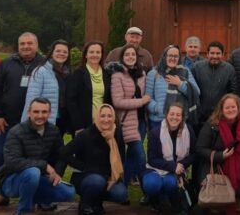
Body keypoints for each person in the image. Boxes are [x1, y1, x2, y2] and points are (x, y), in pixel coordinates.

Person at [0, 32, 45, 209]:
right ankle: (2, 193)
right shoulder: (6, 64)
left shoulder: (44, 64)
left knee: (35, 158)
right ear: (18, 46)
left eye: (30, 43)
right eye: (22, 44)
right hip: (7, 122)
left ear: (37, 45)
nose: (26, 47)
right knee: (3, 157)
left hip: (36, 123)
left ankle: (37, 196)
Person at [0, 97, 75, 215]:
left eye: (44, 112)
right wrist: (44, 166)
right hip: (11, 180)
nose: (40, 115)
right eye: (36, 112)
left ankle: (37, 199)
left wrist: (58, 173)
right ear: (29, 113)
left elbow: (61, 155)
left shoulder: (54, 131)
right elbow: (12, 162)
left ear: (49, 113)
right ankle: (24, 211)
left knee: (68, 192)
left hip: (38, 178)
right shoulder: (16, 132)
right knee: (32, 172)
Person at [60, 104, 127, 215]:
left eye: (109, 116)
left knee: (121, 194)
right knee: (97, 181)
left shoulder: (116, 133)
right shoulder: (85, 135)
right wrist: (82, 166)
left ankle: (97, 203)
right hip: (85, 176)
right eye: (103, 116)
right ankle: (85, 204)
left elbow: (121, 156)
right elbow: (63, 153)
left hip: (108, 176)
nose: (106, 119)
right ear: (97, 117)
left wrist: (114, 177)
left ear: (114, 118)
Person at [195, 94, 240, 215]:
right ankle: (216, 201)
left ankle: (234, 198)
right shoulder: (212, 124)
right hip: (217, 165)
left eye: (233, 107)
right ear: (221, 109)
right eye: (227, 107)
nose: (231, 110)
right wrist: (220, 156)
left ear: (238, 108)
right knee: (217, 186)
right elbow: (200, 148)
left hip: (239, 163)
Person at [142, 103, 197, 214]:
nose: (174, 117)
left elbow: (194, 154)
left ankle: (168, 200)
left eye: (178, 115)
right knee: (152, 184)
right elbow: (152, 159)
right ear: (166, 115)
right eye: (172, 114)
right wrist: (173, 166)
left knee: (170, 182)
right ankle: (156, 200)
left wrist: (181, 165)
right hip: (155, 169)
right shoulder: (155, 133)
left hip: (177, 171)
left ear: (182, 117)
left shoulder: (188, 130)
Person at [109, 43, 150, 187]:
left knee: (132, 157)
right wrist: (142, 101)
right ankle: (149, 191)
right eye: (127, 54)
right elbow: (118, 102)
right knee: (140, 155)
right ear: (122, 57)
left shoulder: (142, 74)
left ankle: (122, 187)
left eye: (133, 54)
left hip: (141, 121)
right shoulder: (117, 75)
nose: (130, 57)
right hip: (127, 122)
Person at [145, 44, 200, 128]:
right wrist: (158, 108)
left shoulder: (185, 71)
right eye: (170, 55)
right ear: (164, 56)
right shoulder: (153, 73)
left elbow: (196, 92)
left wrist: (180, 84)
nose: (173, 58)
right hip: (159, 119)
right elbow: (147, 98)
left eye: (176, 56)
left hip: (179, 119)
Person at [21, 40, 71, 129]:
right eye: (58, 51)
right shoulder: (41, 71)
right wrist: (28, 121)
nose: (61, 54)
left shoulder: (68, 73)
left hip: (62, 120)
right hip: (45, 119)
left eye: (65, 52)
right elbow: (31, 98)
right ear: (52, 53)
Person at [66, 41, 112, 137]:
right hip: (84, 124)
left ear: (102, 55)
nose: (95, 55)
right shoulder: (78, 74)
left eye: (98, 52)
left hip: (103, 122)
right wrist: (78, 126)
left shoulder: (107, 74)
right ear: (86, 55)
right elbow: (71, 101)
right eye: (91, 52)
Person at [193, 41, 237, 131]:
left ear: (222, 55)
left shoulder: (229, 69)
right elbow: (191, 90)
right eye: (212, 53)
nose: (215, 56)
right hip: (200, 117)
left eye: (218, 53)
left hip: (221, 116)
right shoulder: (197, 68)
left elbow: (233, 92)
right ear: (207, 54)